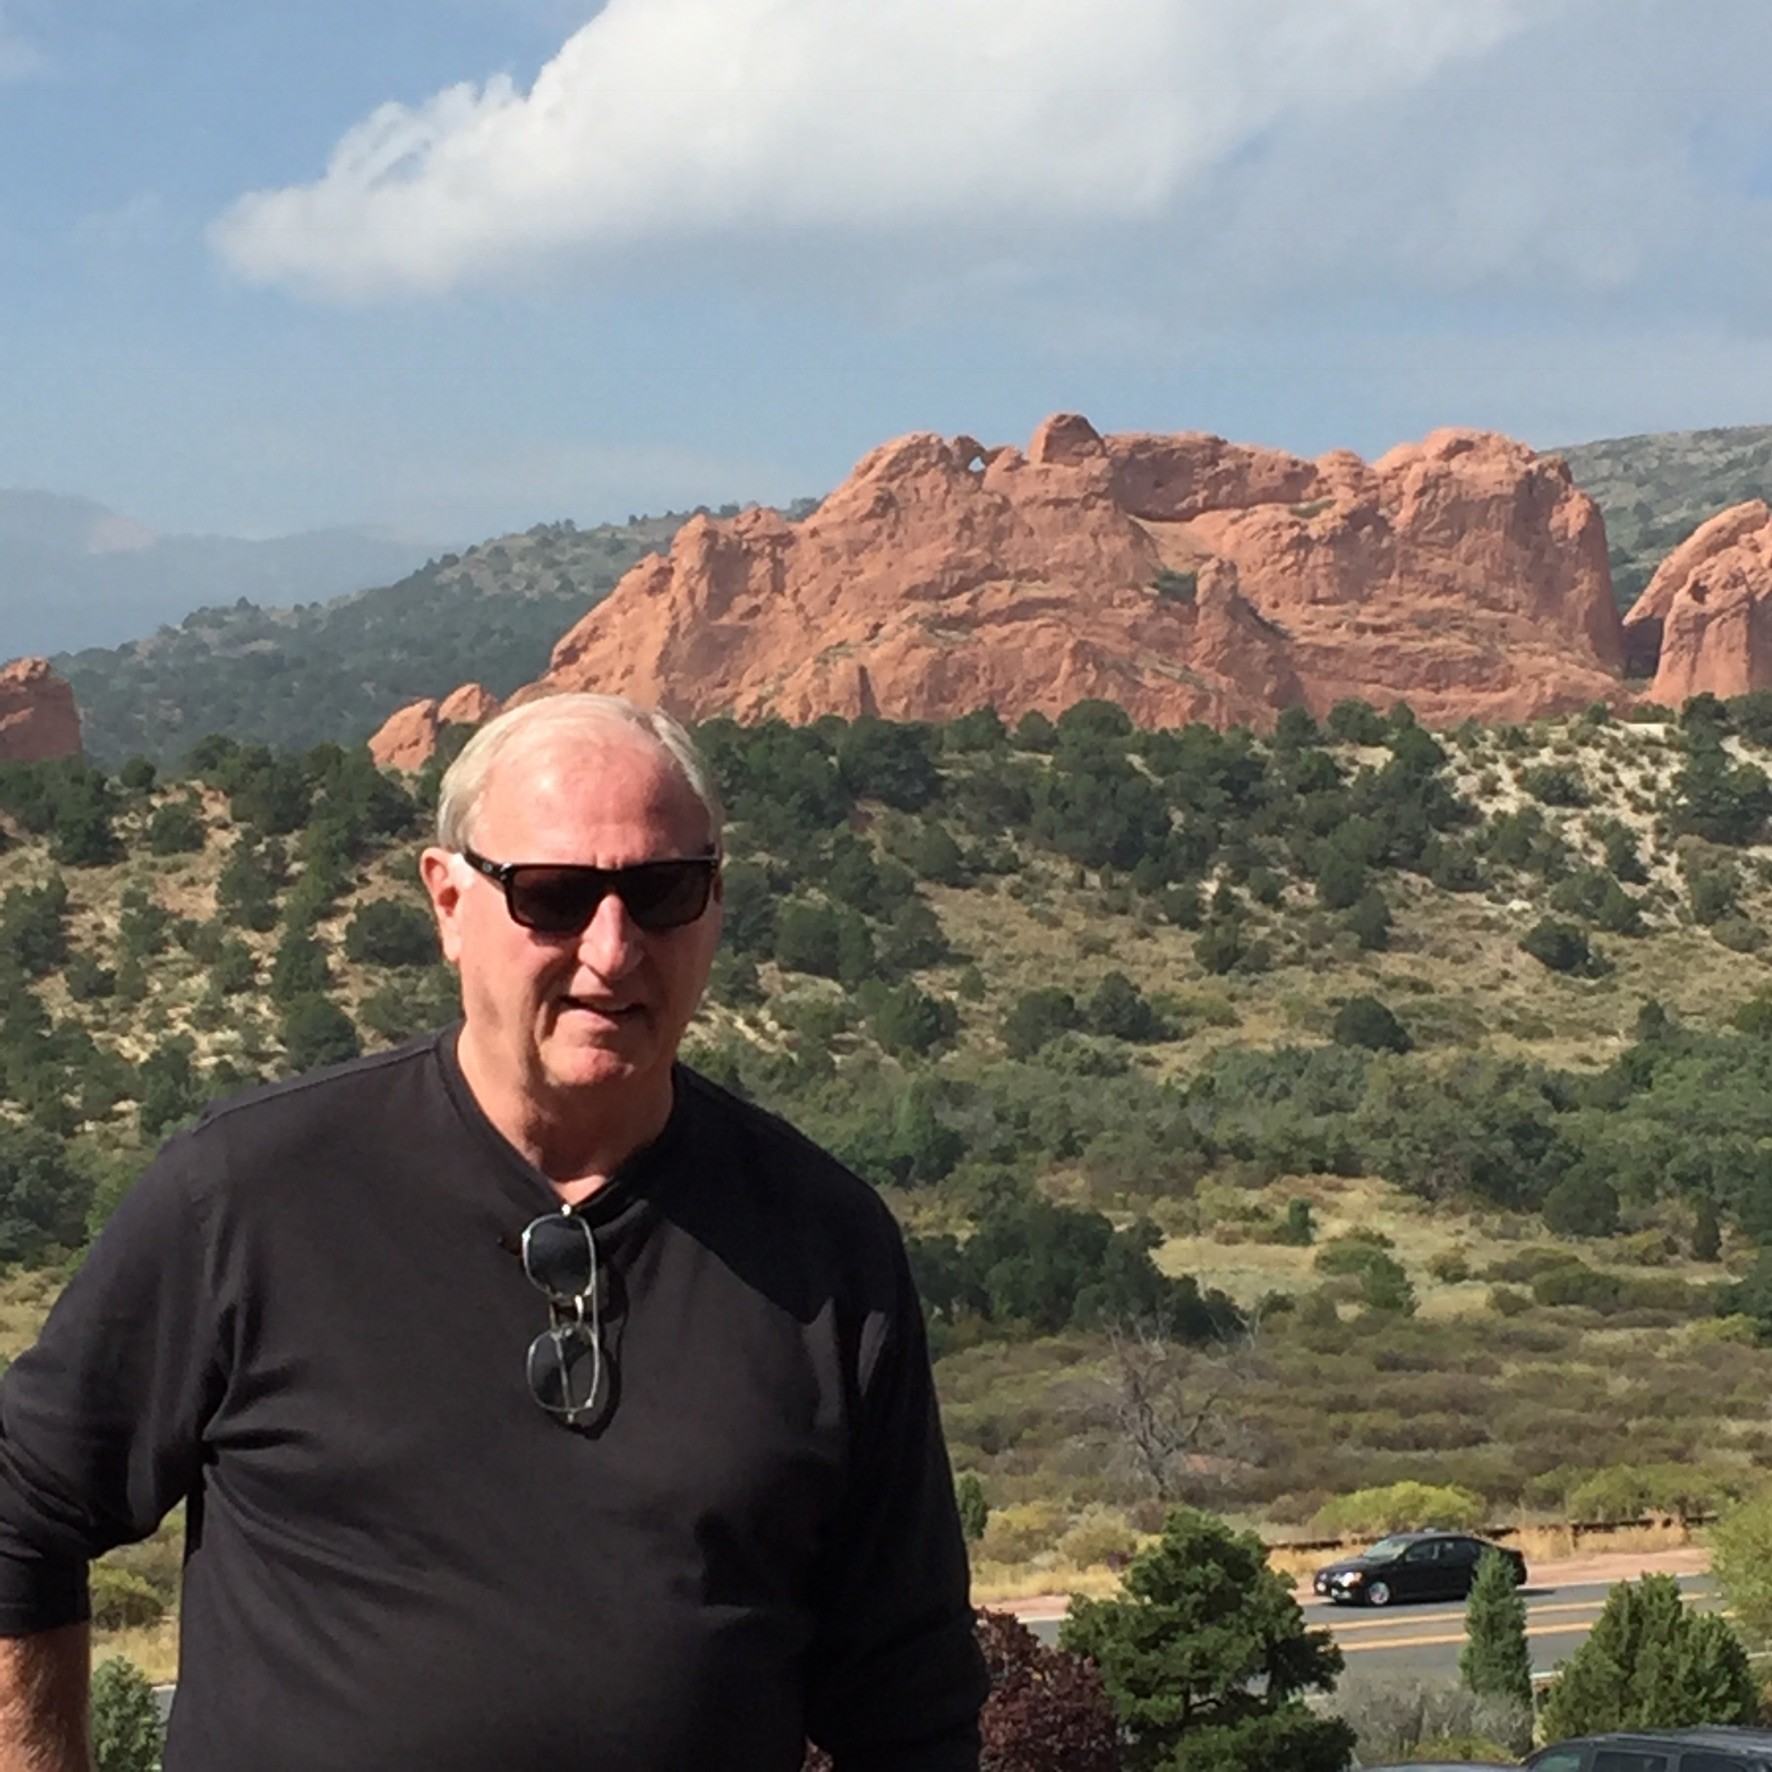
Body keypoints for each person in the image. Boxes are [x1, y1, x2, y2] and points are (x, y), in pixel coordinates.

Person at [0, 693, 987, 1771]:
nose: (612, 949)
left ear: (714, 902)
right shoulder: (248, 1196)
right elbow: (22, 1507)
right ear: (448, 900)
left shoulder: (823, 1243)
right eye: (552, 896)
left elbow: (908, 1693)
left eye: (662, 891)